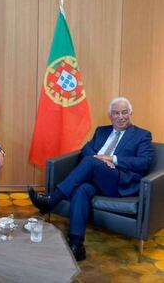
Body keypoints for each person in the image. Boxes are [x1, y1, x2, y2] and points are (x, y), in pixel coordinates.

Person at [28, 97, 153, 261]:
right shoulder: (102, 131)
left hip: (119, 182)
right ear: (110, 115)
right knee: (82, 189)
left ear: (131, 113)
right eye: (116, 113)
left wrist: (112, 159)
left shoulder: (142, 135)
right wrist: (99, 160)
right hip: (96, 178)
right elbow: (87, 148)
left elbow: (144, 162)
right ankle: (76, 244)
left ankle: (51, 200)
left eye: (124, 112)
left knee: (90, 162)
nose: (121, 116)